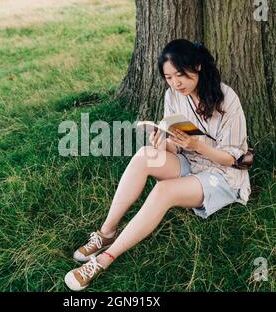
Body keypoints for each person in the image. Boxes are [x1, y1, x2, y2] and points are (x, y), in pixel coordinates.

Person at [64, 39, 251, 291]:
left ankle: (103, 260)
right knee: (145, 154)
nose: (176, 83)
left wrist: (197, 146)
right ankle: (106, 232)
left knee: (164, 191)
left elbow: (232, 158)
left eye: (181, 75)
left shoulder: (226, 98)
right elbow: (178, 144)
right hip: (191, 161)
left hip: (221, 175)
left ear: (197, 66)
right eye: (169, 77)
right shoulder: (173, 95)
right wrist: (164, 144)